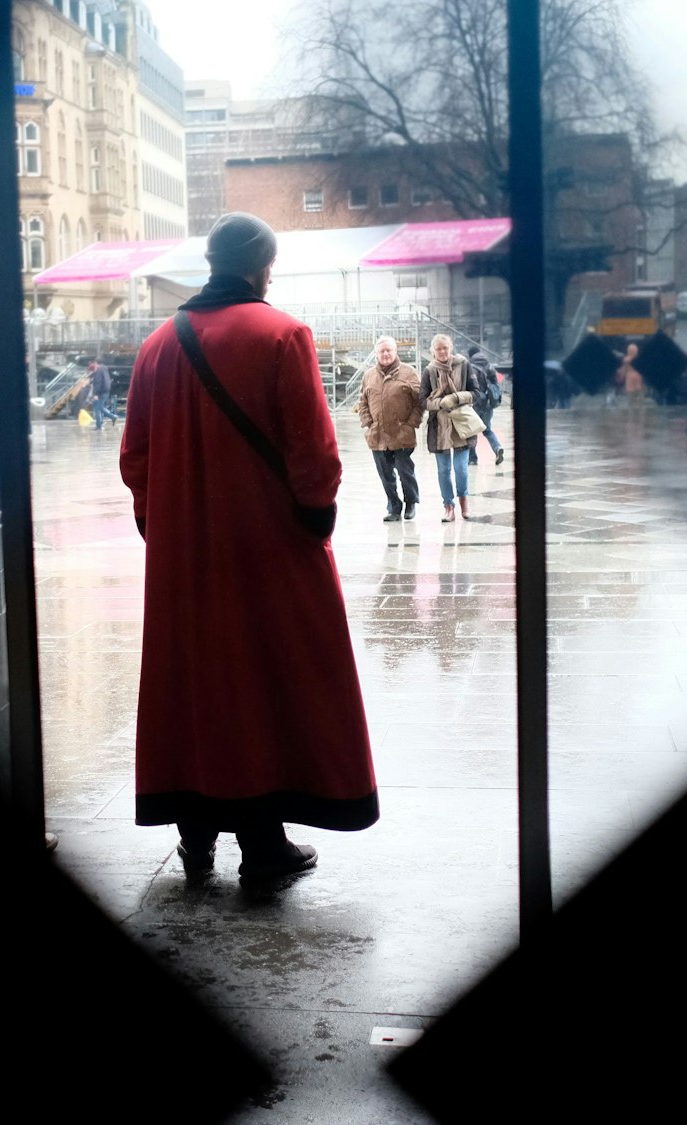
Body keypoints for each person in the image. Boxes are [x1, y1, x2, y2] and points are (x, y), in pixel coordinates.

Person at [119, 212, 378, 883]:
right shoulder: (283, 334)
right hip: (265, 546)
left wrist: (163, 525)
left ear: (210, 263)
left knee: (192, 680)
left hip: (182, 553)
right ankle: (263, 845)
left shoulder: (155, 346)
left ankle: (195, 837)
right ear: (263, 264)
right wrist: (314, 521)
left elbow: (135, 458)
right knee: (268, 679)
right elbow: (314, 451)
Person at [356, 336, 424, 521]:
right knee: (385, 475)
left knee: (404, 471)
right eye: (382, 351)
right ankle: (394, 507)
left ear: (395, 351)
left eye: (389, 350)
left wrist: (411, 424)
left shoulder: (409, 373)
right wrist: (368, 423)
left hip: (402, 434)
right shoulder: (369, 375)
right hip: (377, 435)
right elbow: (362, 401)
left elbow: (419, 402)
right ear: (376, 353)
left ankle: (411, 502)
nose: (385, 354)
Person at [421, 334, 478, 522]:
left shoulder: (463, 364)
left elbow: (476, 392)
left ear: (450, 347)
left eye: (445, 347)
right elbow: (422, 400)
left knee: (461, 468)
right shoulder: (429, 371)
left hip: (461, 423)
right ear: (433, 351)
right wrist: (440, 403)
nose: (443, 351)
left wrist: (456, 398)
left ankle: (464, 502)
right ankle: (448, 506)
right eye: (439, 349)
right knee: (443, 470)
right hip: (439, 427)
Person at [464, 346, 505, 467]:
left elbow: (469, 385)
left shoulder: (470, 366)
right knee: (487, 430)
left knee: (472, 431)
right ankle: (497, 448)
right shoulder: (490, 365)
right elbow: (495, 383)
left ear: (470, 355)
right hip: (488, 403)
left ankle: (472, 459)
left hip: (475, 402)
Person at [87, 357, 119, 429]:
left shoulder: (99, 371)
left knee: (98, 408)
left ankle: (111, 417)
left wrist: (96, 394)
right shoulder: (104, 369)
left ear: (96, 363)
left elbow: (98, 383)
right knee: (98, 407)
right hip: (105, 391)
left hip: (100, 392)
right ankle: (100, 424)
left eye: (94, 363)